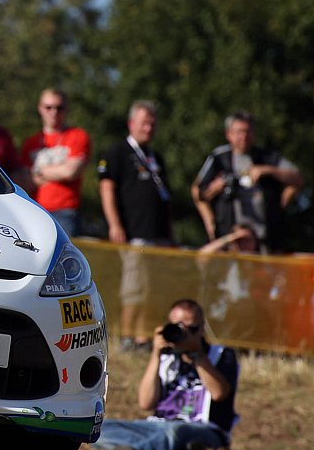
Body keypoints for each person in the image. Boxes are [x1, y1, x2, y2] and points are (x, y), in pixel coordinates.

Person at [90, 299, 237, 450]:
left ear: (202, 328)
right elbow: (145, 403)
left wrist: (197, 355)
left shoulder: (221, 355)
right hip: (157, 425)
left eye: (191, 329)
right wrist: (156, 354)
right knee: (102, 427)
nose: (184, 334)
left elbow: (220, 393)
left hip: (202, 428)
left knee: (175, 432)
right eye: (177, 328)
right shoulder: (166, 357)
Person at [98, 100, 173, 351]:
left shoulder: (155, 156)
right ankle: (127, 336)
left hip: (157, 235)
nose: (149, 127)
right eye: (144, 122)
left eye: (152, 123)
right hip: (134, 234)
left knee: (151, 288)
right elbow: (106, 188)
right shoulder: (118, 152)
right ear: (131, 124)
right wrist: (115, 224)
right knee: (134, 287)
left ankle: (143, 336)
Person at [191, 111, 303, 254]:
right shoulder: (220, 158)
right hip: (230, 239)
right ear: (229, 134)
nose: (244, 136)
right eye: (239, 132)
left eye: (248, 131)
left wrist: (268, 171)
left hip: (266, 241)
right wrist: (210, 220)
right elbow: (198, 192)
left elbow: (298, 179)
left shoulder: (267, 157)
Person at [20, 88, 90, 236]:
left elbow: (71, 171)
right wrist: (58, 172)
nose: (54, 112)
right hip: (34, 211)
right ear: (40, 108)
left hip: (65, 212)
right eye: (49, 107)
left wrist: (39, 171)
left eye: (59, 108)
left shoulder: (77, 136)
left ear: (66, 109)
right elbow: (24, 181)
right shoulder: (30, 143)